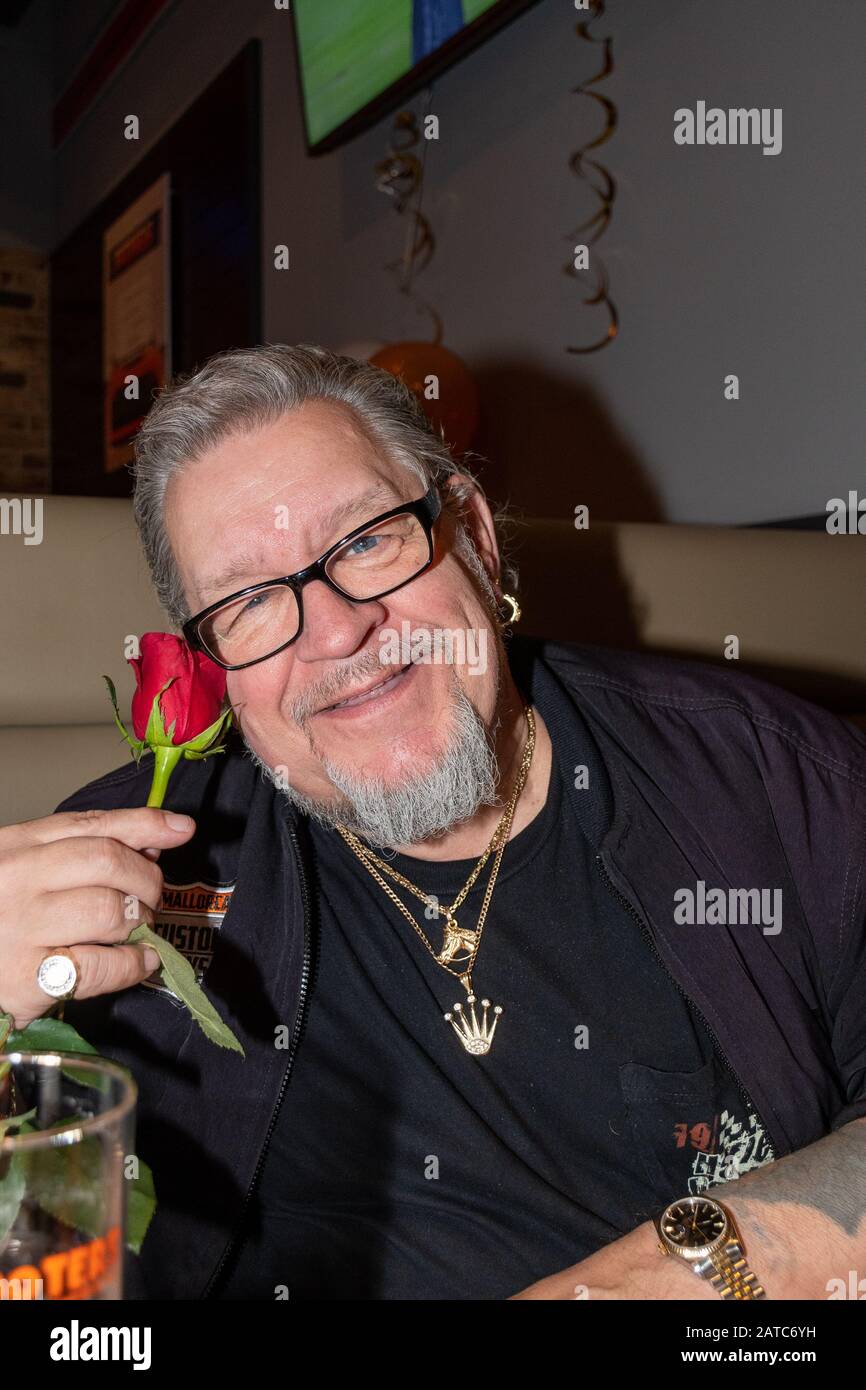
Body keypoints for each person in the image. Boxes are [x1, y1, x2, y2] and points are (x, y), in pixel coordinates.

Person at [1, 344, 864, 1301]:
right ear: (214, 667)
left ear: (477, 541)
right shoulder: (130, 872)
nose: (336, 632)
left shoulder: (772, 778)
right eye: (246, 602)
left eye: (368, 539)